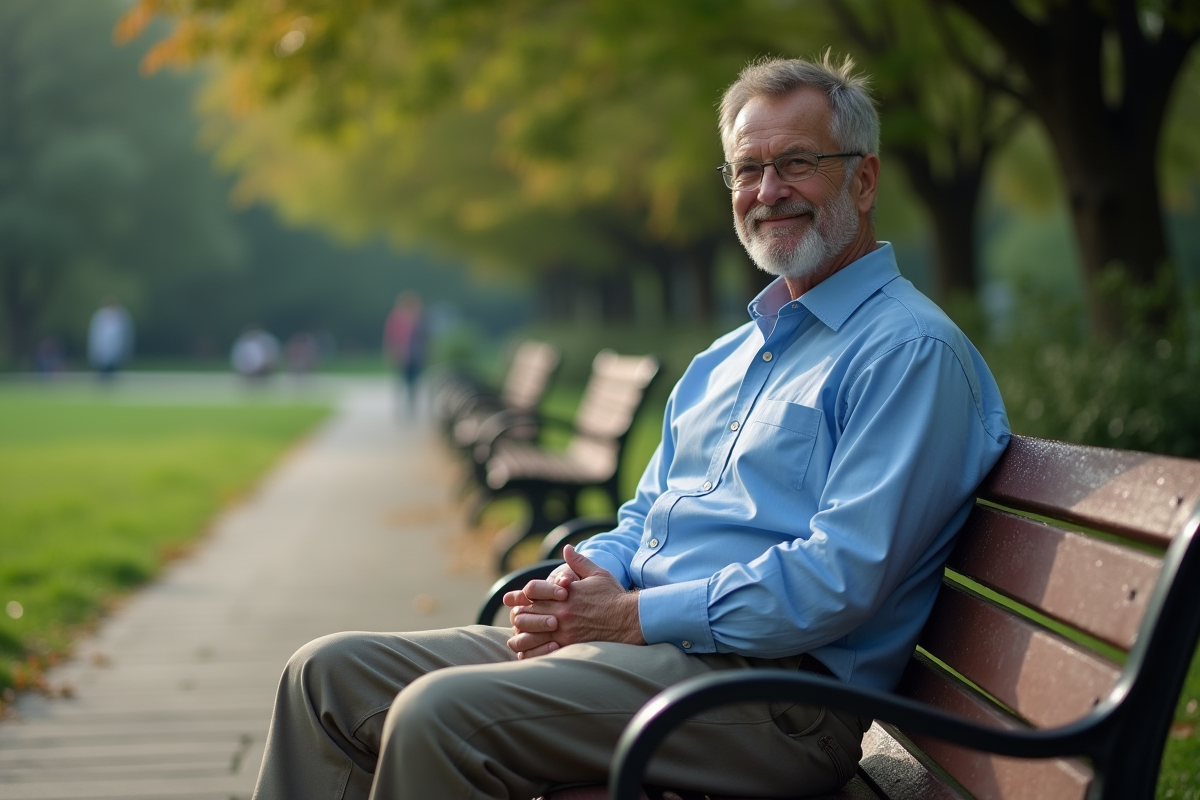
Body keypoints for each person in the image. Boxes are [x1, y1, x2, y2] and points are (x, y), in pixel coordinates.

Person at [251, 54, 1010, 800]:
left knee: (438, 718)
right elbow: (647, 518)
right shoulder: (728, 357)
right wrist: (580, 583)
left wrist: (631, 615)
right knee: (325, 676)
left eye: (798, 163)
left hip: (778, 699)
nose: (768, 191)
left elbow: (838, 580)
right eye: (748, 170)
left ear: (865, 177)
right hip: (651, 651)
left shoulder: (909, 353)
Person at [382, 291, 429, 416]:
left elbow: (424, 337)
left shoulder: (419, 318)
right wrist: (392, 353)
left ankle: (411, 408)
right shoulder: (396, 318)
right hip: (402, 355)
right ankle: (400, 408)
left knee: (414, 383)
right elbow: (391, 337)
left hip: (416, 355)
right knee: (402, 382)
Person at [87, 299, 134, 379]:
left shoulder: (121, 317)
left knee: (113, 373)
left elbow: (125, 336)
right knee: (102, 373)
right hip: (102, 351)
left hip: (115, 351)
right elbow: (95, 336)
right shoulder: (99, 317)